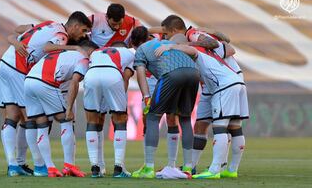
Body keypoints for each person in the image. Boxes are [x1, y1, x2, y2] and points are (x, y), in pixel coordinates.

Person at [0, 11, 91, 176]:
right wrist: (75, 47)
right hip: (18, 67)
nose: (82, 35)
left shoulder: (48, 23)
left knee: (12, 116)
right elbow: (48, 48)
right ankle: (39, 166)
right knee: (32, 118)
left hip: (4, 64)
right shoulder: (61, 35)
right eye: (83, 30)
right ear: (74, 26)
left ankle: (14, 165)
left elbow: (19, 29)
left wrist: (14, 42)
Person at [154, 34, 246, 179]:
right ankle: (232, 170)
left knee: (219, 127)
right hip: (236, 82)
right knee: (235, 127)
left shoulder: (196, 49)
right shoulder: (209, 53)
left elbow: (194, 51)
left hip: (224, 86)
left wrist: (171, 46)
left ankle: (214, 170)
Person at [131, 27, 200, 179]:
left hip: (172, 74)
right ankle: (188, 167)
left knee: (152, 117)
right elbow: (194, 53)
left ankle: (148, 168)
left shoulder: (141, 50)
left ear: (134, 44)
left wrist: (146, 96)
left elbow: (141, 74)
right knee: (185, 118)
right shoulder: (165, 42)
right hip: (194, 72)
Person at [24, 40, 98, 177]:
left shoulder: (63, 52)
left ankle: (50, 168)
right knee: (66, 119)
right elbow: (75, 82)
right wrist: (69, 108)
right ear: (88, 51)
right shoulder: (84, 59)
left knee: (42, 125)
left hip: (28, 81)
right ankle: (69, 165)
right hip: (45, 83)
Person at [83, 42, 135, 178]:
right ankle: (119, 167)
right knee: (120, 119)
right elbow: (126, 77)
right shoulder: (128, 53)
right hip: (112, 75)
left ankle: (95, 167)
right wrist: (119, 105)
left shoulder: (98, 51)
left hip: (91, 75)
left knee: (92, 119)